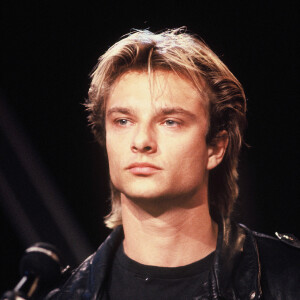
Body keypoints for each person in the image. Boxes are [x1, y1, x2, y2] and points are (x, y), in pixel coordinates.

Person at [47, 28, 300, 299]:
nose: (142, 141)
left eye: (170, 122)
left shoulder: (287, 279)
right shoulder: (66, 294)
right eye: (123, 121)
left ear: (215, 147)